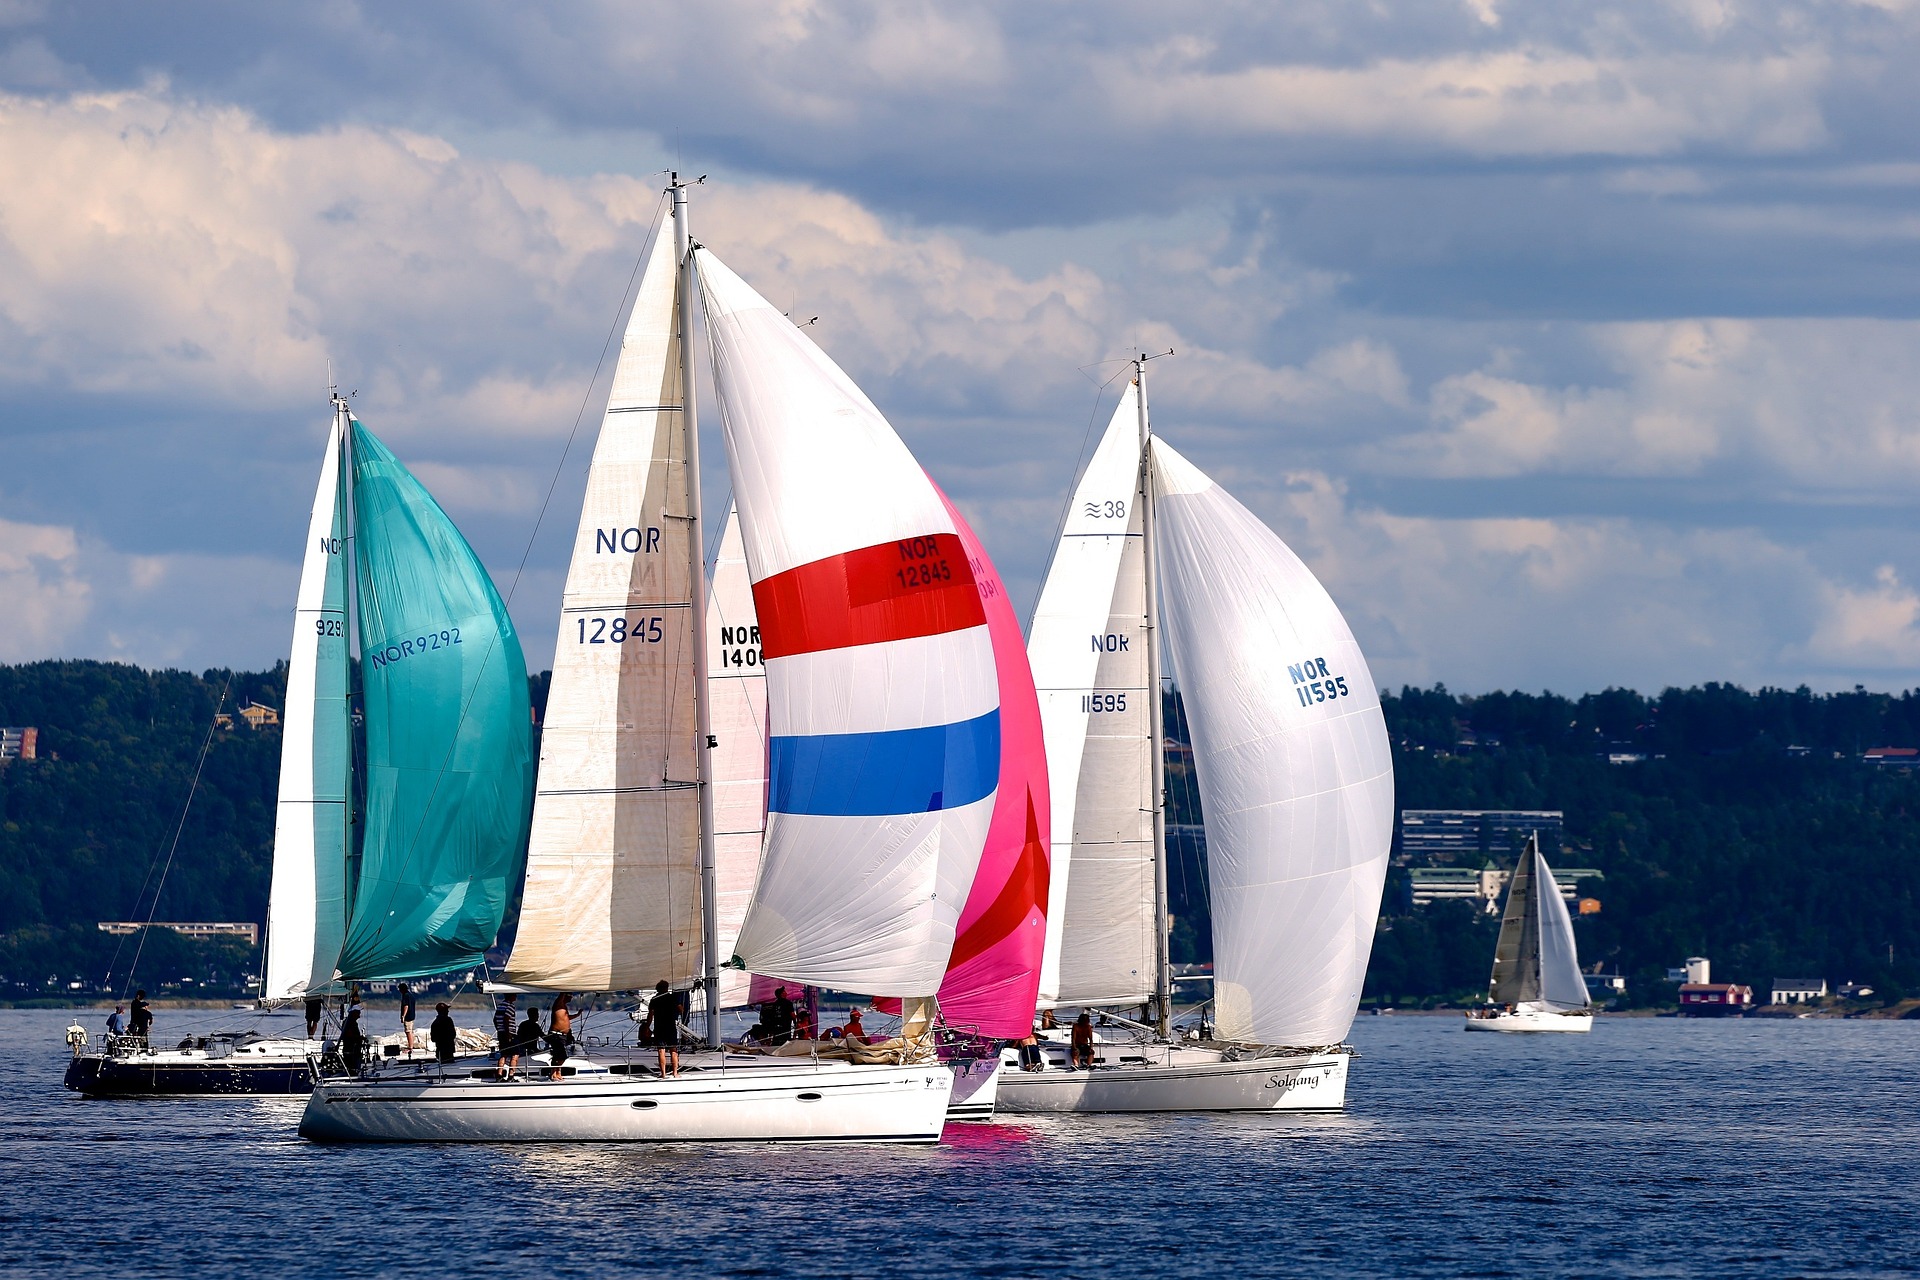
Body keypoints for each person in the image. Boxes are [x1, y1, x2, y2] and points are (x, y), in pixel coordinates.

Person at [647, 980, 680, 1079]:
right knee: (673, 1050)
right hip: (670, 1027)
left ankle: (663, 1074)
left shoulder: (654, 999)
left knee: (661, 1051)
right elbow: (681, 1009)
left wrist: (647, 1026)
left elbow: (651, 1014)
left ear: (658, 988)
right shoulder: (672, 998)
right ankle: (675, 1073)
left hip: (659, 1027)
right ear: (666, 988)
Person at [546, 993, 574, 1080]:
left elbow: (566, 1017)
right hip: (556, 1035)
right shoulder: (559, 1003)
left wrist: (577, 1015)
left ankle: (558, 1072)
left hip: (563, 1036)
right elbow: (561, 994)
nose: (571, 997)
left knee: (561, 1056)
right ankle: (553, 1073)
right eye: (569, 995)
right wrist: (565, 989)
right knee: (559, 1055)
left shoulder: (564, 1007)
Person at [493, 994, 519, 1079]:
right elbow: (506, 1018)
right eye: (514, 995)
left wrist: (499, 1029)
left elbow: (495, 1019)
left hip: (501, 1033)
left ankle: (499, 1074)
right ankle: (511, 1076)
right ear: (510, 996)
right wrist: (508, 1032)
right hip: (509, 1033)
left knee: (503, 1054)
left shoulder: (500, 1005)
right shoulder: (510, 1006)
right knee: (515, 1054)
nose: (516, 996)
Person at [516, 1005, 544, 1077]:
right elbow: (543, 1036)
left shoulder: (523, 1024)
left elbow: (518, 1036)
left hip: (525, 1048)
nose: (538, 1016)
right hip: (528, 1050)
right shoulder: (535, 1026)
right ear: (532, 1015)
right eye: (537, 1014)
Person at [340, 1007, 366, 1074]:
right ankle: (351, 1073)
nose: (359, 1014)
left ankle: (355, 1071)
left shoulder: (353, 1022)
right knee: (351, 1066)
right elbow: (349, 1035)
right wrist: (359, 1038)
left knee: (355, 1063)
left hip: (355, 1049)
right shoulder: (348, 1022)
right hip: (350, 1049)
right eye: (358, 1012)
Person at [399, 982, 417, 1053]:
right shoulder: (410, 995)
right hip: (412, 1015)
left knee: (408, 1031)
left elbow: (406, 1006)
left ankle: (410, 1047)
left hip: (408, 1016)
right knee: (410, 1031)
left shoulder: (406, 995)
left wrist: (403, 1016)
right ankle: (410, 1046)